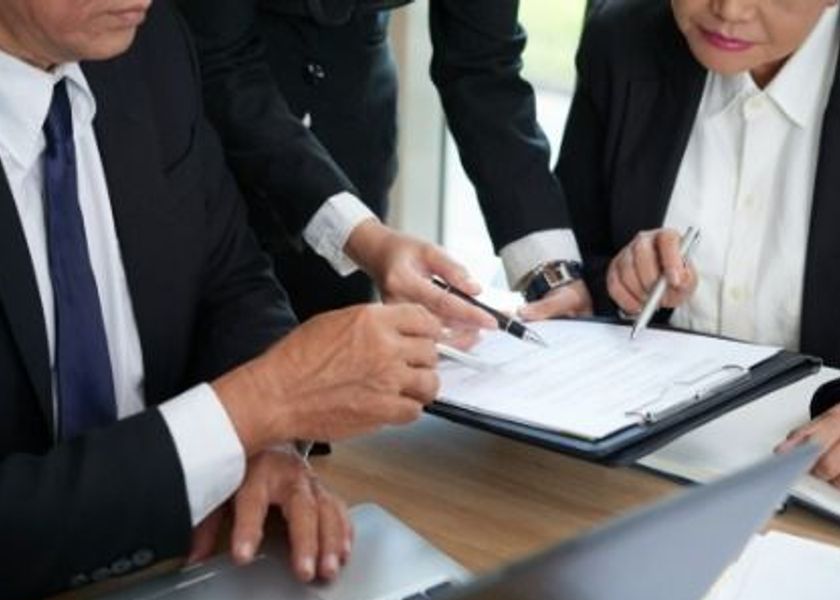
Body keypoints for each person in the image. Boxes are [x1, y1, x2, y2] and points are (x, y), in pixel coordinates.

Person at [0, 0, 443, 600]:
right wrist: (259, 407)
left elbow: (231, 280)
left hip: (194, 569)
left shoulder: (149, 47)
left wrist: (265, 448)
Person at [555, 0, 840, 487]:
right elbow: (580, 261)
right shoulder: (621, 39)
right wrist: (622, 281)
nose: (729, 10)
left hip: (816, 483)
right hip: (644, 468)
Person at [175, 0, 593, 327]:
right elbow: (220, 61)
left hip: (353, 129)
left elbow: (483, 66)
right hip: (205, 133)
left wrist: (550, 271)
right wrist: (362, 237)